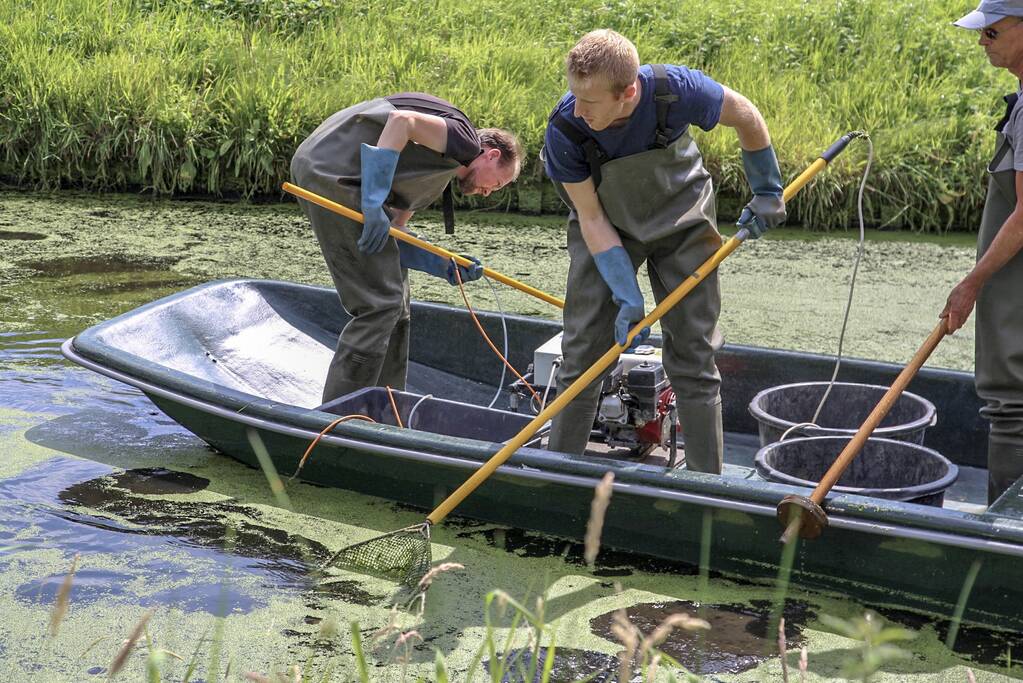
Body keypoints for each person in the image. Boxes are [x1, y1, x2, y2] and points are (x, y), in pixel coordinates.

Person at [541, 30, 786, 473]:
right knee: (583, 353)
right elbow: (592, 219)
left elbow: (746, 115)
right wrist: (626, 294)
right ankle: (559, 474)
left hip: (683, 220)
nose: (578, 110)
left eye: (590, 102)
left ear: (628, 92)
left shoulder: (677, 90)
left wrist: (767, 188)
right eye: (575, 97)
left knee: (694, 354)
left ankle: (705, 485)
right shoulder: (565, 129)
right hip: (608, 226)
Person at [290, 93, 522, 403]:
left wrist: (442, 262)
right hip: (332, 174)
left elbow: (396, 233)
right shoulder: (465, 140)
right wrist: (373, 199)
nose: (487, 193)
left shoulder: (434, 176)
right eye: (497, 184)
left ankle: (387, 405)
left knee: (398, 303)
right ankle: (339, 414)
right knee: (380, 304)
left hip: (329, 173)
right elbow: (402, 121)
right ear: (491, 155)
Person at [945, 0, 1023, 503]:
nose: (982, 42)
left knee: (1011, 406)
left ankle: (1004, 534)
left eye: (992, 33)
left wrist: (972, 282)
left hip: (1012, 302)